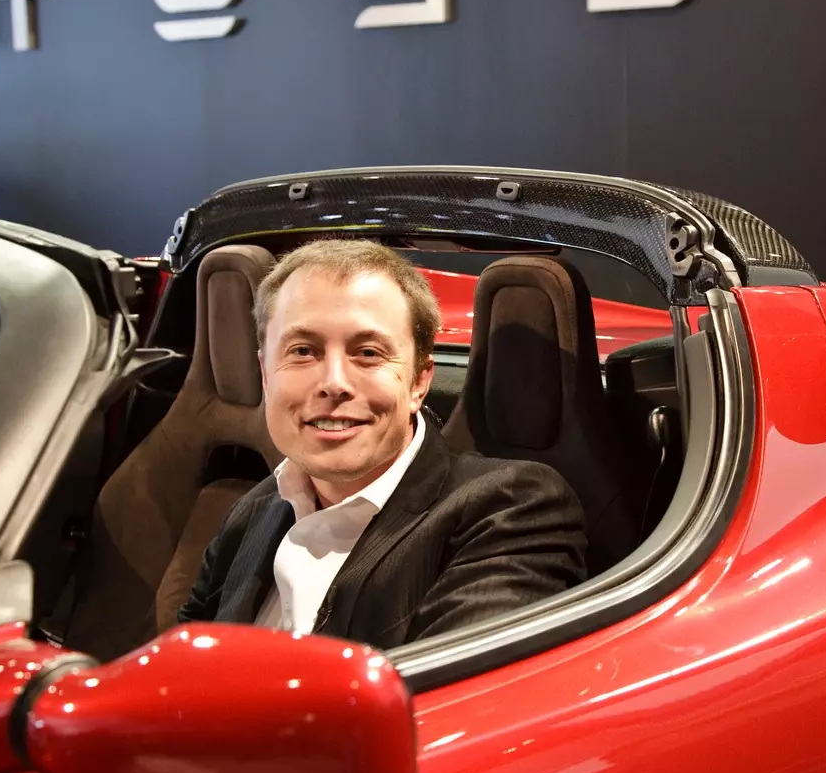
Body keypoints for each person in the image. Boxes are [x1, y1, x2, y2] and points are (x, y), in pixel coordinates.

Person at [177, 239, 587, 648]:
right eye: (303, 351)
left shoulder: (510, 510)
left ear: (418, 382)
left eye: (368, 353)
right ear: (266, 375)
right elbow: (180, 673)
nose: (333, 382)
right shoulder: (254, 511)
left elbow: (451, 700)